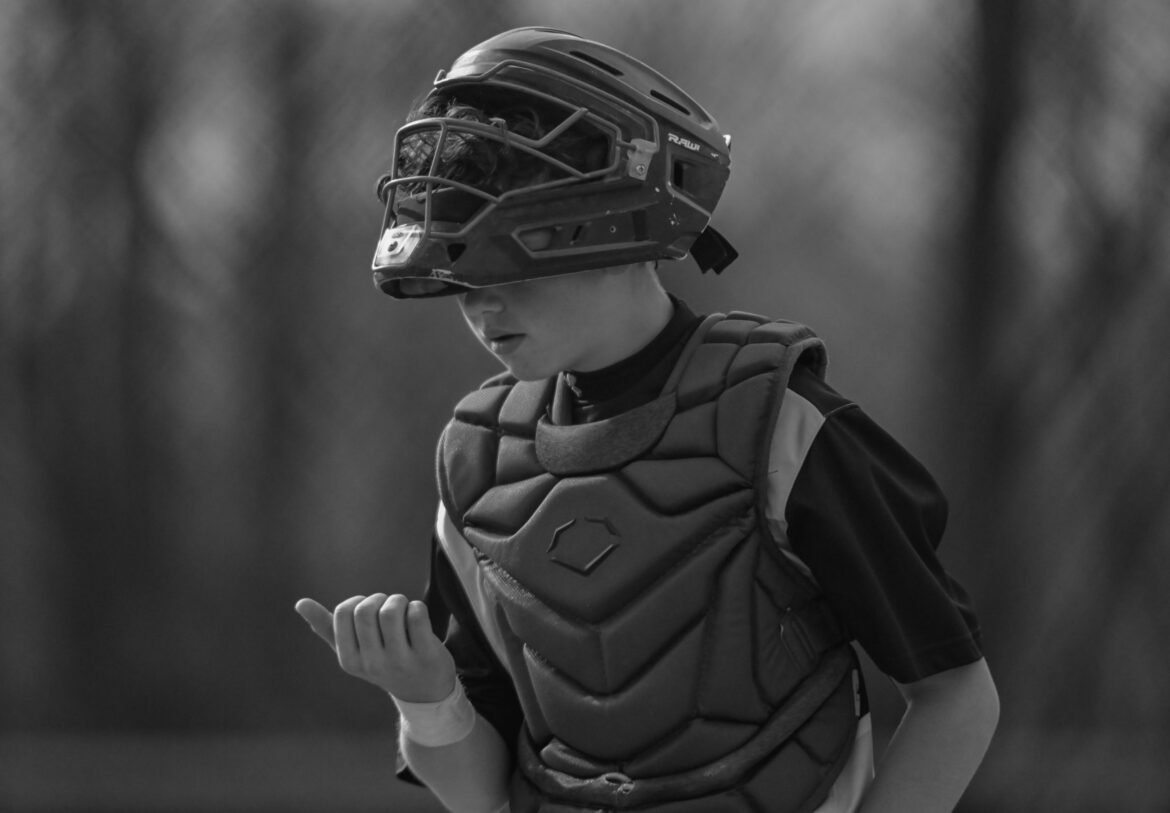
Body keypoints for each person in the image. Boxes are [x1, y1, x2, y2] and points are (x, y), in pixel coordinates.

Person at [295, 26, 999, 813]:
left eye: (509, 263)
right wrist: (425, 697)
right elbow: (485, 794)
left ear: (616, 225)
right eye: (462, 272)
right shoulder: (479, 468)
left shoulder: (782, 426)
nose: (483, 306)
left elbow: (957, 697)